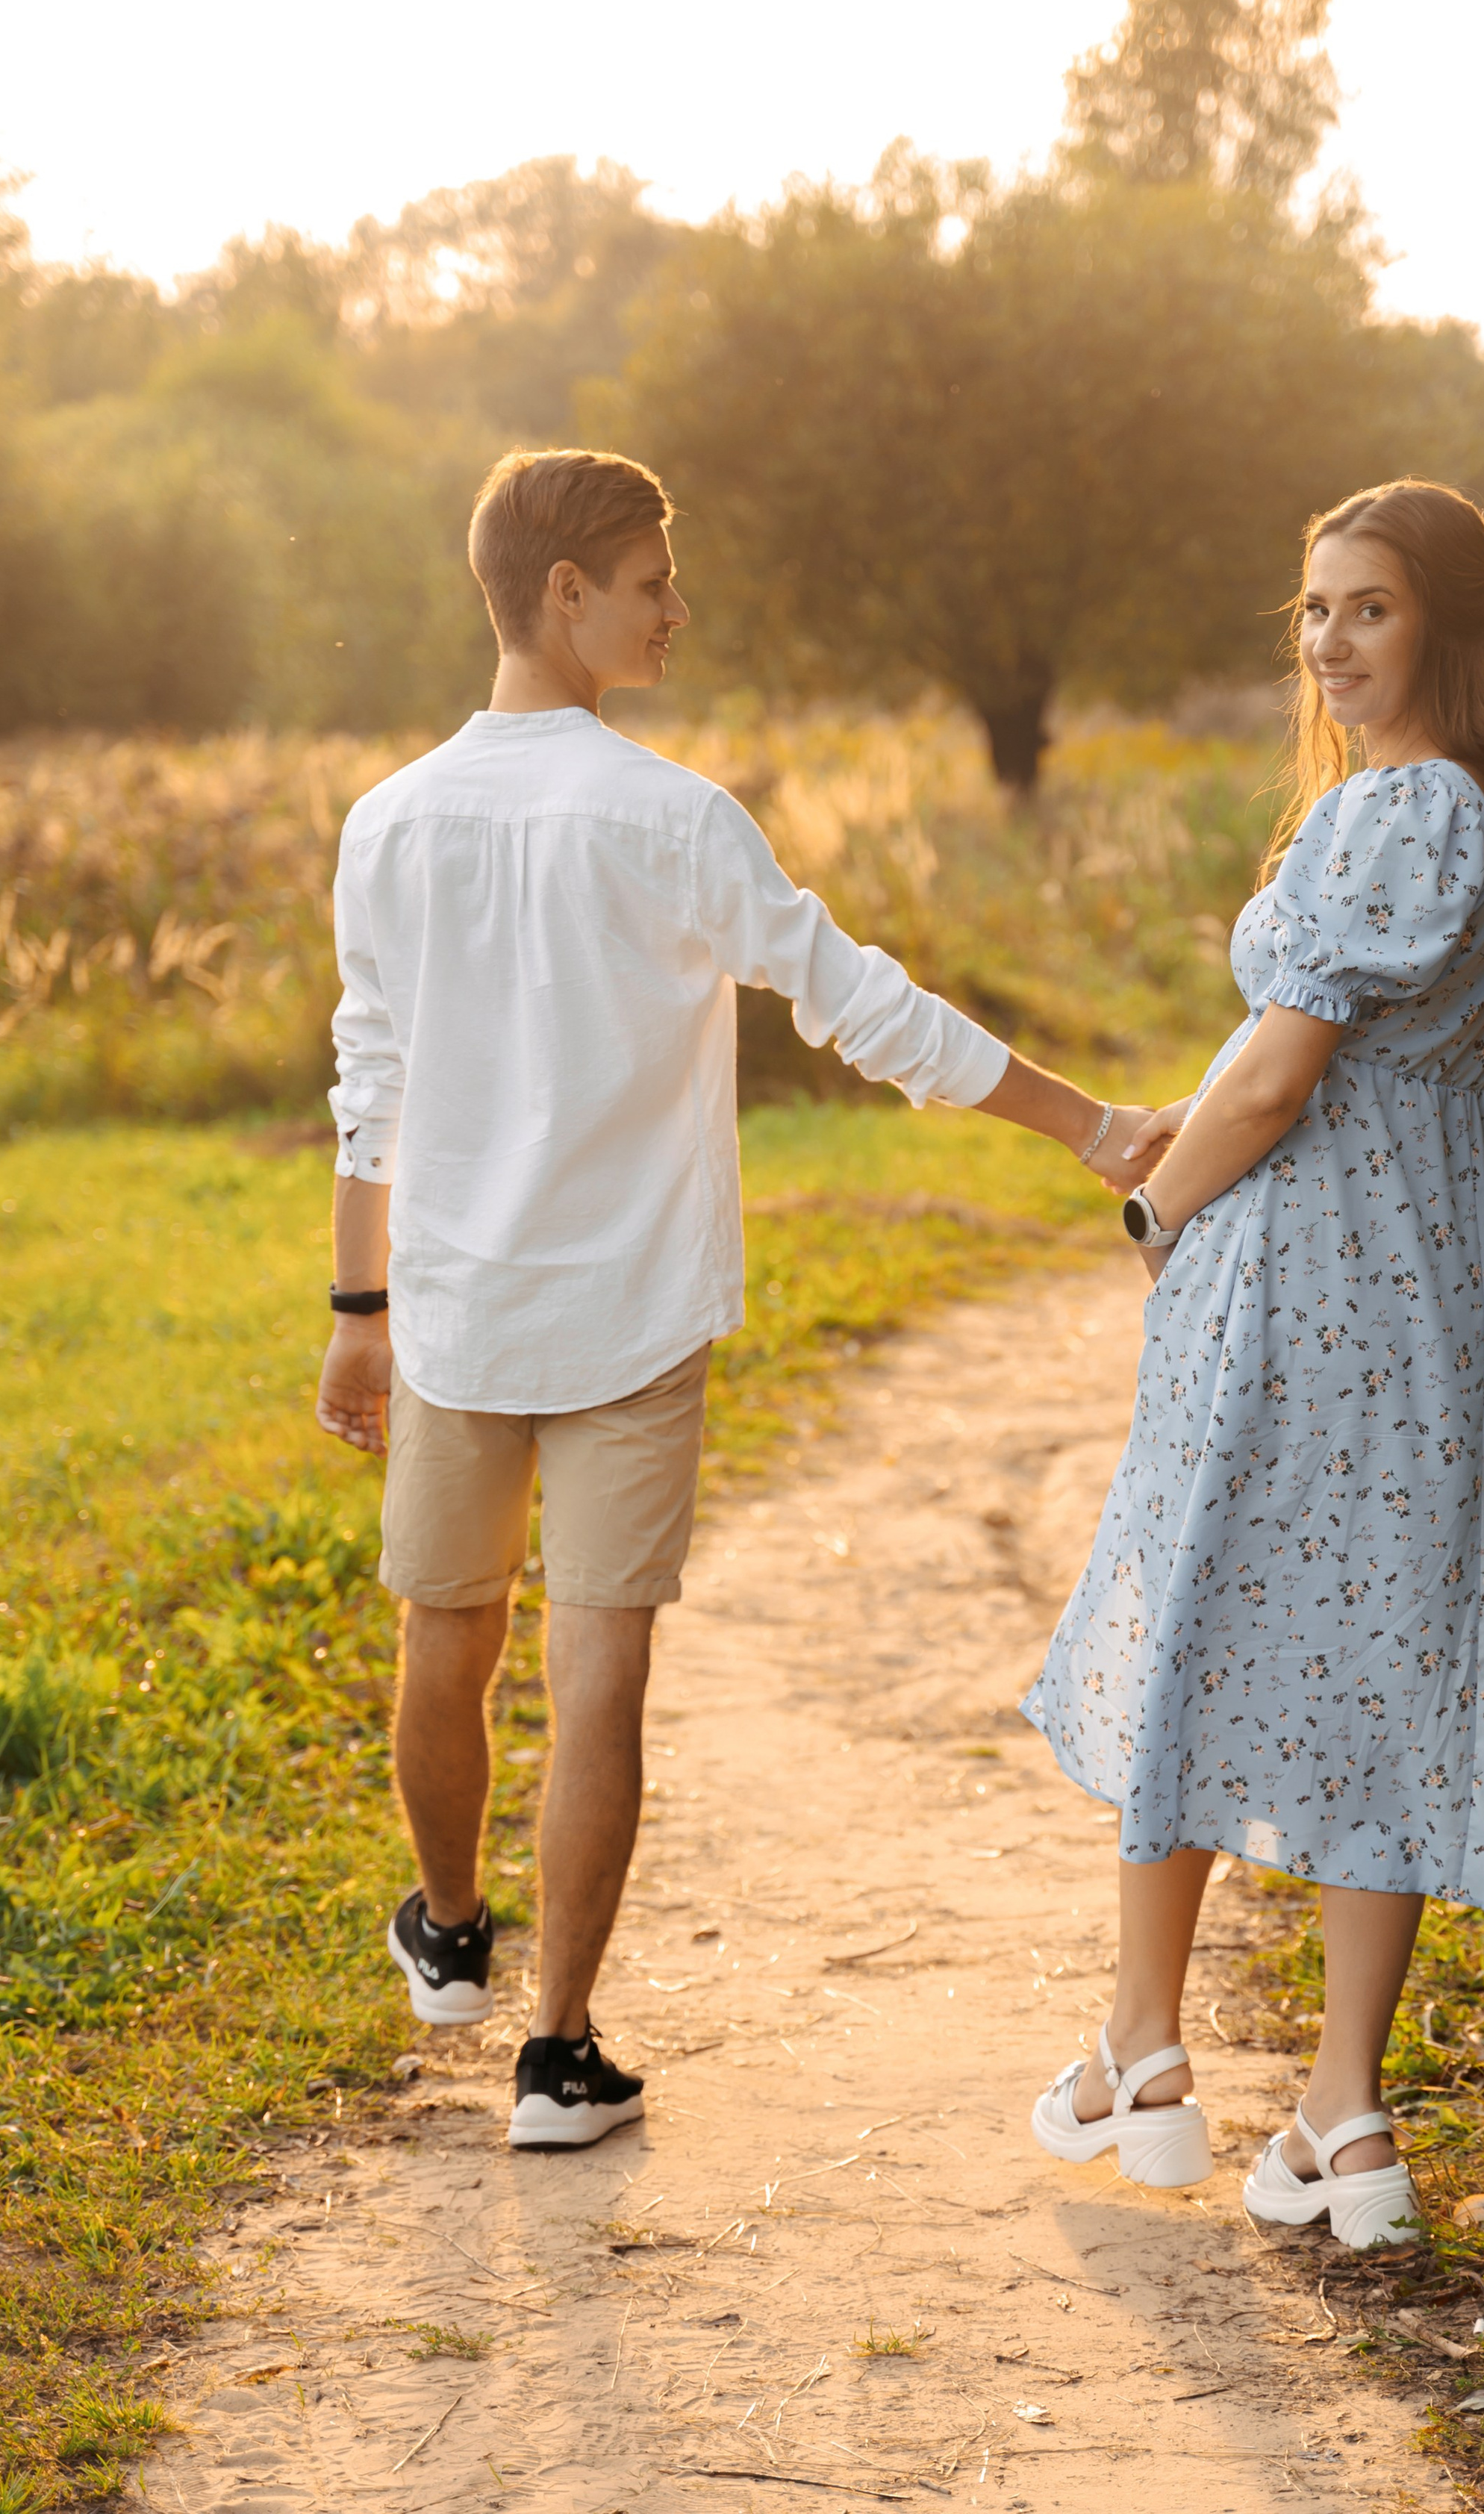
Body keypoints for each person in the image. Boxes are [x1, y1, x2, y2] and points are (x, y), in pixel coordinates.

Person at [316, 446, 1147, 2150]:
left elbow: (369, 1078)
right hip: (628, 1311)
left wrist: (356, 1306)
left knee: (445, 1635)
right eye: (648, 582)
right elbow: (863, 1006)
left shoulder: (387, 820)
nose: (672, 610)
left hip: (458, 1306)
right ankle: (557, 2055)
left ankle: (452, 1934)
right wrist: (1088, 1127)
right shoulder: (674, 820)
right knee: (597, 1666)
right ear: (563, 594)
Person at [1021, 478, 1484, 2248]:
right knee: (1387, 1644)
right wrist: (1166, 1126)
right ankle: (1342, 2119)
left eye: (1364, 607)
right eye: (1308, 611)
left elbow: (1281, 1087)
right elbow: (1303, 1067)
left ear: (1443, 620)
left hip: (1301, 1280)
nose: (1329, 643)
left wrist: (1155, 1215)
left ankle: (1142, 2047)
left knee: (1203, 1603)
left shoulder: (1385, 816)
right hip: (1433, 1287)